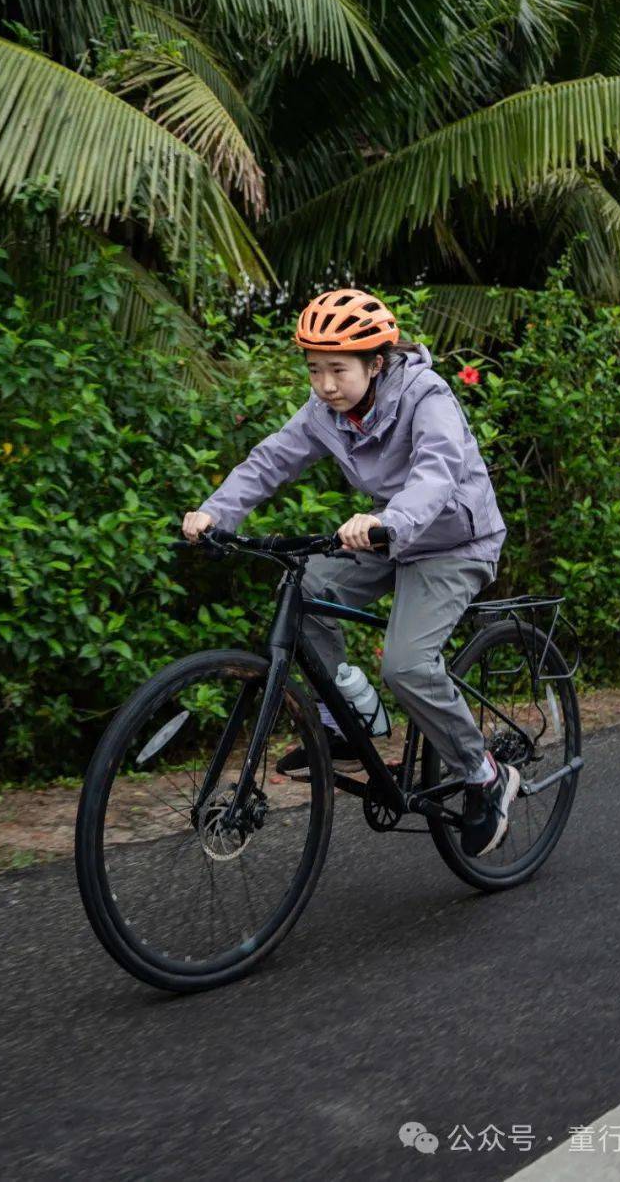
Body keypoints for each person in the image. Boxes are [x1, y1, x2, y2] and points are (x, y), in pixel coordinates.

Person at [181, 287, 520, 858]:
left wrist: (389, 521)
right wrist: (216, 512)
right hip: (391, 535)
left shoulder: (428, 396)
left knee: (407, 665)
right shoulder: (324, 413)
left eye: (338, 369)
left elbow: (437, 473)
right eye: (315, 370)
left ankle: (483, 772)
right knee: (306, 587)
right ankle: (350, 715)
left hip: (455, 541)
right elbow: (271, 460)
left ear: (376, 363)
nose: (325, 385)